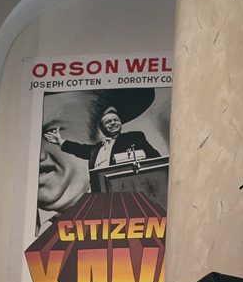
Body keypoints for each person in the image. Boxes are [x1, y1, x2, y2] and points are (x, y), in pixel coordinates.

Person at [35, 88, 164, 236]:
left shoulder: (133, 139)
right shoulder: (96, 150)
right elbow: (78, 148)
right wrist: (59, 140)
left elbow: (157, 164)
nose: (39, 155)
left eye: (49, 132)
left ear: (97, 128)